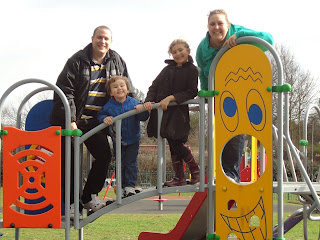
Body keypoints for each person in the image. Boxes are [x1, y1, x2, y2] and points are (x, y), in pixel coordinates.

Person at [50, 26, 133, 219]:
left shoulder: (117, 61)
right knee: (70, 161)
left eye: (106, 39)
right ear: (92, 38)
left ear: (110, 42)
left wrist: (134, 108)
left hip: (98, 120)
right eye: (99, 38)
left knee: (104, 155)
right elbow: (65, 91)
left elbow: (126, 86)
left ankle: (88, 196)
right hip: (75, 120)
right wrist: (70, 120)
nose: (102, 42)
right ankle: (72, 205)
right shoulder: (77, 61)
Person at [196, 9, 274, 182]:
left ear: (228, 25)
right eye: (212, 24)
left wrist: (240, 36)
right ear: (208, 26)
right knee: (221, 132)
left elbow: (269, 40)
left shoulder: (238, 33)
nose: (216, 27)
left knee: (236, 129)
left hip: (244, 90)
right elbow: (203, 73)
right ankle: (222, 173)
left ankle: (231, 174)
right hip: (220, 94)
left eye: (220, 23)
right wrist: (206, 94)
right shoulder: (203, 48)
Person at [144, 39, 199, 187]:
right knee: (172, 143)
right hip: (164, 114)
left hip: (178, 113)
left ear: (188, 50)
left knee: (176, 142)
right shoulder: (167, 69)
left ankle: (195, 172)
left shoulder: (192, 70)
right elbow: (154, 86)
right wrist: (149, 101)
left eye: (180, 50)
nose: (178, 54)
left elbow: (191, 91)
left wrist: (171, 98)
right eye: (174, 52)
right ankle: (179, 178)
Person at [97, 75, 149, 197]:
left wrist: (142, 110)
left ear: (127, 89)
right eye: (115, 87)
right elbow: (100, 116)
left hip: (133, 139)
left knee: (131, 162)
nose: (119, 88)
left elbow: (144, 117)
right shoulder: (109, 106)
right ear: (111, 92)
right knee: (120, 163)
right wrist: (105, 118)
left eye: (122, 86)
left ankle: (130, 186)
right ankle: (120, 186)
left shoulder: (133, 102)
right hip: (117, 140)